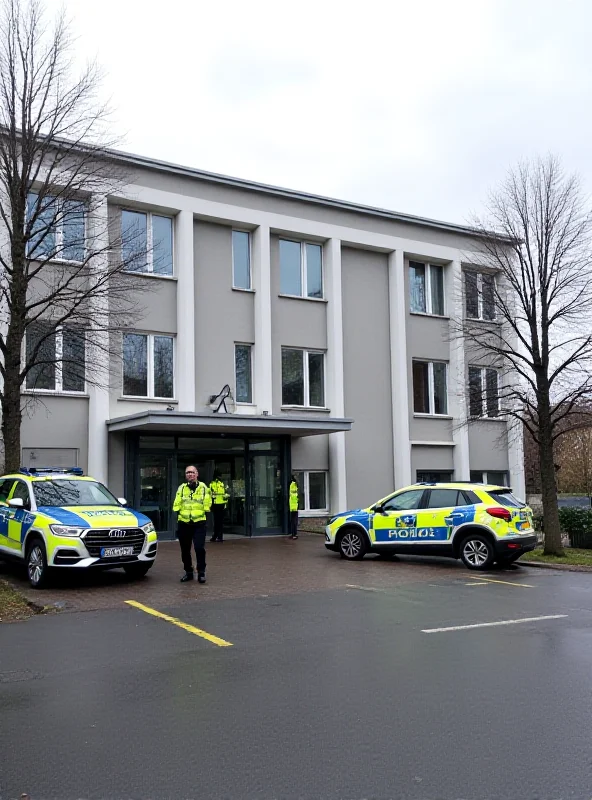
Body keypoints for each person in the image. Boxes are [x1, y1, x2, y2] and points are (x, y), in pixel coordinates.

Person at [173, 466, 212, 583]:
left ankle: (201, 572)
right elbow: (177, 503)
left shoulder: (203, 487)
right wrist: (178, 512)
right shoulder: (182, 488)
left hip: (199, 522)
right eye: (188, 472)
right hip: (184, 523)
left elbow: (207, 502)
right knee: (185, 550)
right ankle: (189, 572)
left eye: (192, 472)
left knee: (199, 548)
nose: (190, 474)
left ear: (197, 474)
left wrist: (204, 513)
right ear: (186, 475)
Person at [209, 471, 229, 542]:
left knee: (220, 522)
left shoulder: (222, 484)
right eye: (219, 476)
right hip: (216, 505)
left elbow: (226, 493)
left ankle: (219, 536)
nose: (220, 477)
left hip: (222, 505)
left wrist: (226, 500)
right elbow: (210, 494)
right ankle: (216, 536)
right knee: (217, 522)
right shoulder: (212, 484)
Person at [288, 475, 299, 539]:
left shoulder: (292, 485)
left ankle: (293, 535)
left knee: (293, 522)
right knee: (295, 521)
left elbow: (291, 494)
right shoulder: (296, 485)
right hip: (295, 506)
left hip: (292, 507)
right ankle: (295, 534)